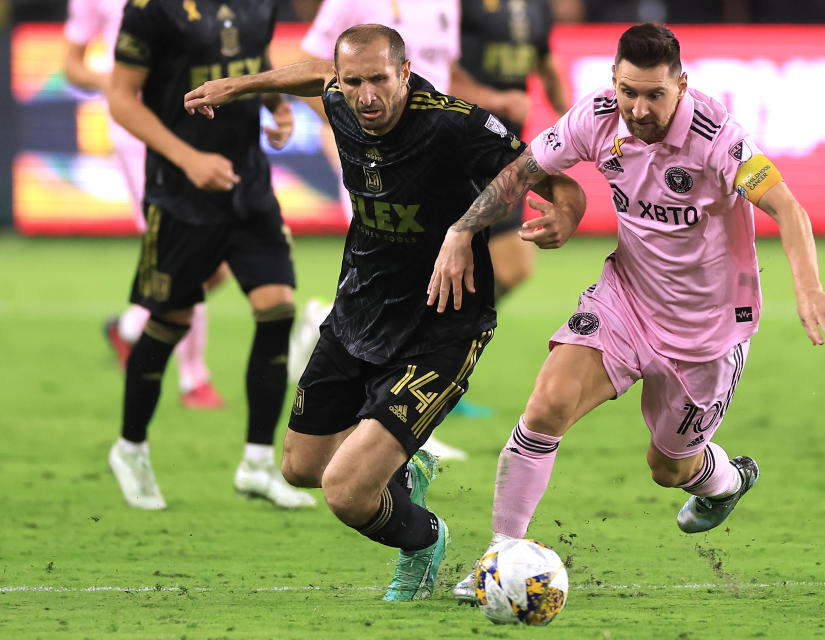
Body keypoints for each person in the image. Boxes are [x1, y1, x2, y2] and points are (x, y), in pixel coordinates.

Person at [424, 23, 825, 602]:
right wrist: (461, 229)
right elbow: (521, 171)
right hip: (627, 299)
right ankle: (499, 561)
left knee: (669, 467)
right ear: (613, 81)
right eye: (628, 92)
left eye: (654, 95)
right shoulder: (596, 117)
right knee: (546, 405)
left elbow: (788, 208)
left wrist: (809, 287)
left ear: (681, 85)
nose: (639, 108)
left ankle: (726, 481)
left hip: (709, 330)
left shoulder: (717, 137)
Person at [183, 23, 585, 600]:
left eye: (378, 80)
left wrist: (563, 214)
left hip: (441, 325)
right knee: (299, 468)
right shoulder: (342, 98)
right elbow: (315, 72)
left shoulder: (454, 123)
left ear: (404, 72)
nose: (366, 96)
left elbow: (552, 179)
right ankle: (404, 472)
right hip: (359, 310)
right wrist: (241, 86)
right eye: (354, 82)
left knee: (346, 492)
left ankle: (423, 542)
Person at [105, 0, 316, 511]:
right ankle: (130, 448)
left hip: (248, 184)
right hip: (180, 194)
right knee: (169, 320)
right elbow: (120, 98)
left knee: (277, 307)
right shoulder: (150, 10)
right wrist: (188, 158)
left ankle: (258, 462)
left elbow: (257, 68)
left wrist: (278, 106)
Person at [291, 0, 517, 444]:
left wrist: (487, 102)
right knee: (401, 269)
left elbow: (445, 72)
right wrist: (356, 123)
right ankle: (398, 415)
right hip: (377, 157)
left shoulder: (446, 5)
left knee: (505, 268)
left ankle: (406, 399)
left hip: (436, 150)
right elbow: (319, 66)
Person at [62, 0, 225, 409]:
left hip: (195, 122)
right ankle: (194, 379)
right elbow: (72, 65)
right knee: (186, 247)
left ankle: (132, 324)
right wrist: (113, 83)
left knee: (217, 265)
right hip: (138, 133)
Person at [451, 0, 569, 302]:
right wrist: (497, 100)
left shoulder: (537, 7)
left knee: (513, 267)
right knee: (451, 261)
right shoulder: (458, 6)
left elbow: (545, 61)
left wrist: (573, 119)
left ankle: (445, 330)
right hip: (460, 149)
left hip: (504, 155)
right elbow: (437, 76)